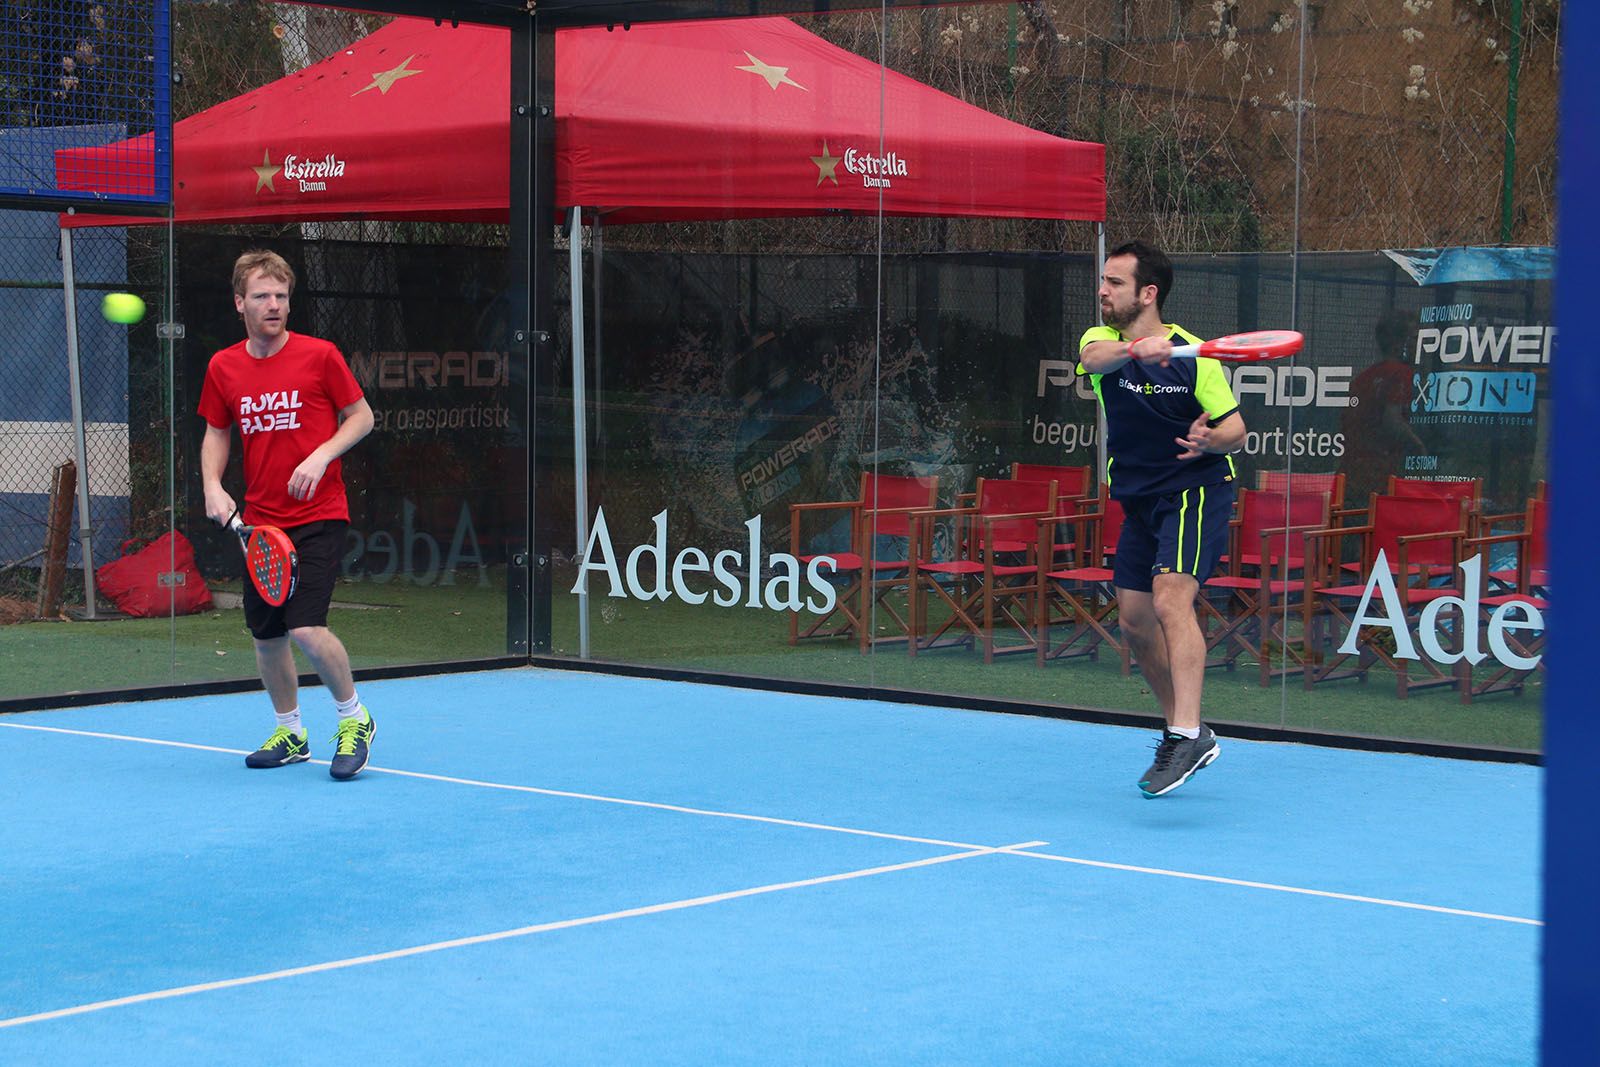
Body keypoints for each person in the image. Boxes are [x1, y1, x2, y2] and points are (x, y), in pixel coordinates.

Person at [198, 250, 377, 780]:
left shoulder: (320, 355)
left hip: (320, 514)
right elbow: (216, 430)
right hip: (260, 525)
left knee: (304, 626)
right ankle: (291, 731)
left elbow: (362, 416)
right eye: (262, 296)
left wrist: (322, 455)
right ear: (240, 303)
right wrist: (212, 484)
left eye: (281, 296)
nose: (274, 305)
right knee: (266, 635)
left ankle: (353, 719)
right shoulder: (222, 366)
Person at [1077, 241, 1246, 797]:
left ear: (1147, 293)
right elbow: (1093, 361)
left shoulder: (1199, 355)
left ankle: (1183, 731)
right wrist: (1139, 353)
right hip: (1139, 497)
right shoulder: (1101, 340)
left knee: (1172, 598)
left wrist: (1207, 438)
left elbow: (1234, 431)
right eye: (1103, 281)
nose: (1103, 291)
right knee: (1133, 621)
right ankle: (1191, 732)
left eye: (1115, 283)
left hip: (1195, 491)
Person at [1341, 308, 1425, 504]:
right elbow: (1392, 421)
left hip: (1351, 478)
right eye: (1413, 339)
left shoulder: (1362, 378)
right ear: (1398, 343)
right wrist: (1419, 447)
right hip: (1379, 482)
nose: (1416, 345)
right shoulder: (1402, 374)